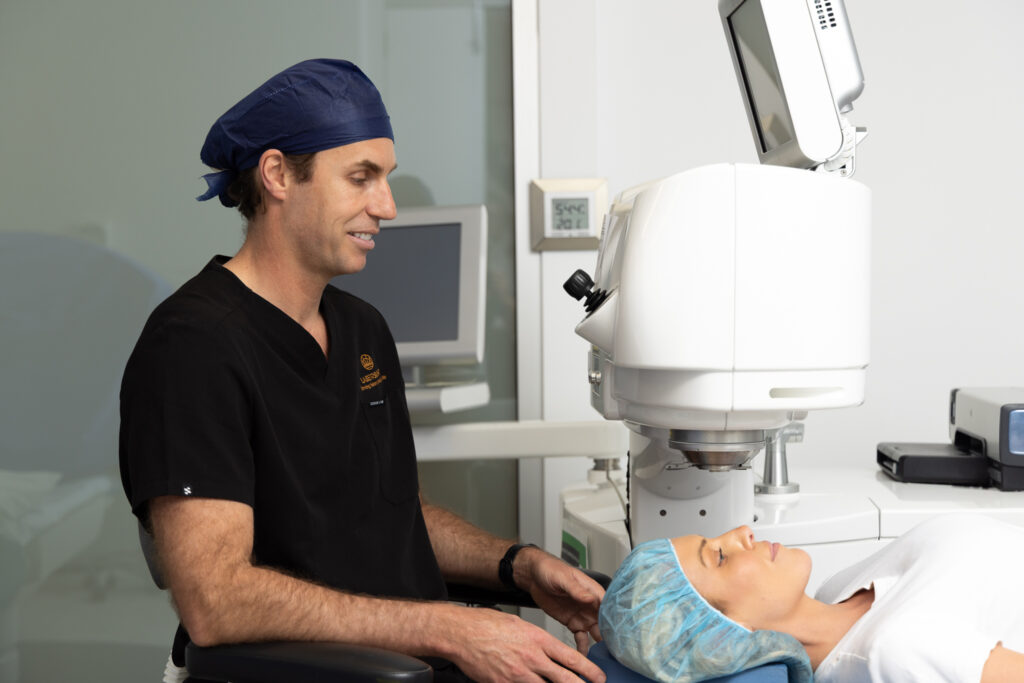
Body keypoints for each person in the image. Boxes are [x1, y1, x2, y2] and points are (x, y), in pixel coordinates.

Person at [119, 58, 605, 683]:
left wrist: (515, 564)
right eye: (361, 177)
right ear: (277, 176)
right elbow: (216, 601)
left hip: (418, 662)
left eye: (386, 178)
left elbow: (394, 515)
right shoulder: (192, 346)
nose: (389, 206)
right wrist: (451, 628)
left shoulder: (360, 328)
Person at [598, 513, 1024, 682]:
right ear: (722, 632)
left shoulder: (838, 588)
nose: (743, 532)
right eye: (721, 556)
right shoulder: (891, 650)